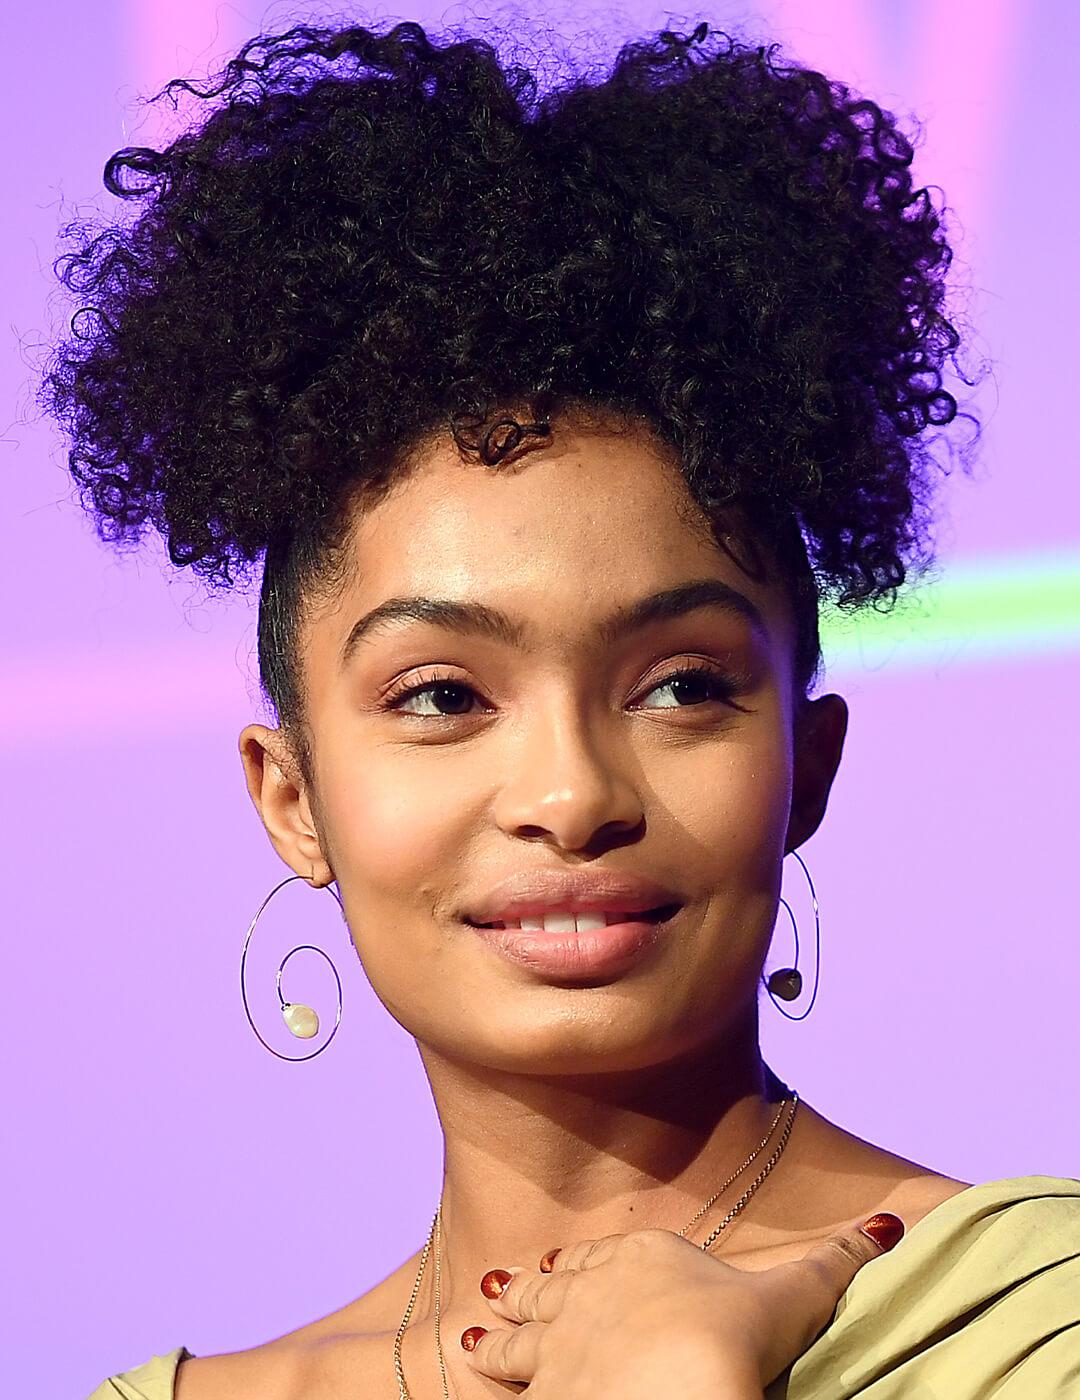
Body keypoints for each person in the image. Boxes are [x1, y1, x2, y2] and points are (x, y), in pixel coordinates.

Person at [41, 16, 1077, 1399]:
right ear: (292, 798)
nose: (574, 794)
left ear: (809, 766)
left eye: (684, 686)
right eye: (444, 695)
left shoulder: (1028, 1332)